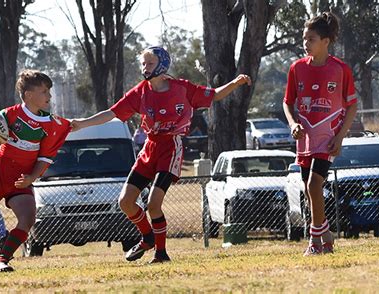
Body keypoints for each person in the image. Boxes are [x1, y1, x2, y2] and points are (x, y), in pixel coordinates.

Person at [71, 46, 251, 263]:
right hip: (149, 148)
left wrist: (236, 82)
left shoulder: (182, 88)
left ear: (163, 64)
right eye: (143, 64)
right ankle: (147, 237)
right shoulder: (140, 91)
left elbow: (213, 95)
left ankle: (161, 253)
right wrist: (82, 124)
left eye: (150, 63)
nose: (145, 68)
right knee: (125, 202)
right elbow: (112, 113)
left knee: (154, 204)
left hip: (170, 147)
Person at [0, 69, 72, 275]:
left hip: (21, 180)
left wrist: (32, 178)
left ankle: (1, 261)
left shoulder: (49, 122)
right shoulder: (10, 114)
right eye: (44, 91)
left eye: (49, 91)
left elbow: (47, 154)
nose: (49, 96)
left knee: (28, 220)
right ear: (28, 95)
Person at [283, 12, 357, 256]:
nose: (306, 43)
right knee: (308, 189)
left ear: (326, 41)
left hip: (328, 137)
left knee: (315, 185)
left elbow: (352, 105)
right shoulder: (296, 69)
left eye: (311, 39)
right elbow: (288, 103)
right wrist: (293, 123)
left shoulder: (340, 69)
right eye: (304, 38)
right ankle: (326, 234)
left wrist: (340, 136)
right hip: (305, 139)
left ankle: (315, 243)